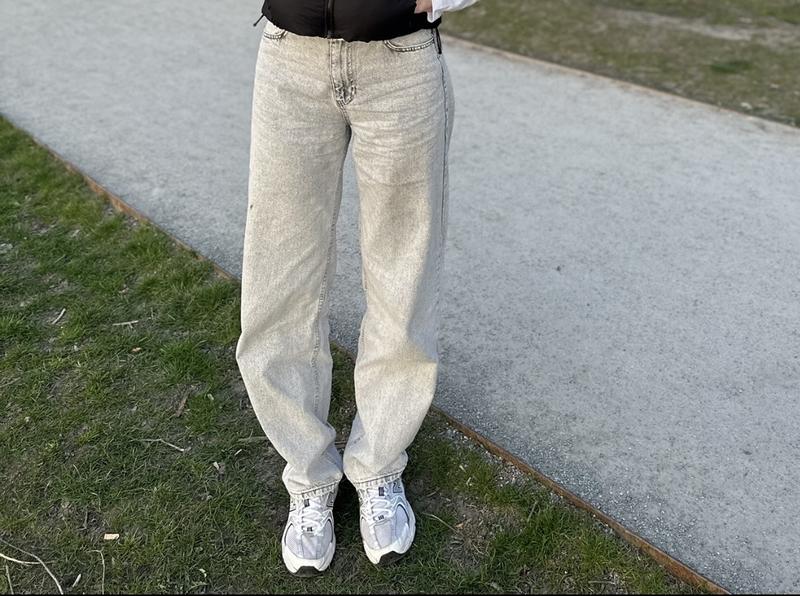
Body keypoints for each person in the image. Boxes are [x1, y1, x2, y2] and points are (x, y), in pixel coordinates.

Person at [236, 0, 479, 576]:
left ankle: (378, 466)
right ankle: (308, 474)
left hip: (400, 62)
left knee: (403, 276)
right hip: (289, 58)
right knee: (278, 280)